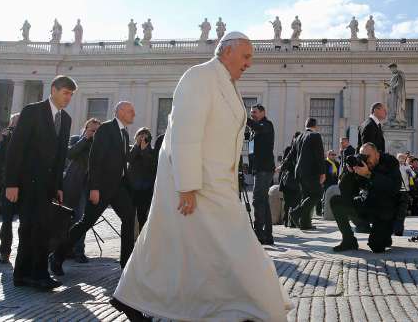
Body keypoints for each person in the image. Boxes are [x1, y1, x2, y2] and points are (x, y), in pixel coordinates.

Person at [110, 31, 292, 322]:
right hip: (200, 183)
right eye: (246, 57)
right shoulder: (198, 77)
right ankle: (256, 308)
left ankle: (130, 296)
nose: (249, 64)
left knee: (168, 242)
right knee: (236, 245)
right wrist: (187, 185)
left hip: (217, 181)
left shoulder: (227, 84)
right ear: (227, 51)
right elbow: (185, 132)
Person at [51, 101, 137, 274]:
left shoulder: (125, 134)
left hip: (118, 187)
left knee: (129, 218)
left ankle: (126, 263)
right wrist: (94, 188)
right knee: (85, 222)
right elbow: (95, 159)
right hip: (102, 187)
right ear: (119, 112)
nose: (133, 114)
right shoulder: (105, 129)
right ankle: (57, 256)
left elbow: (122, 160)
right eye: (130, 111)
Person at [5, 75, 74, 290]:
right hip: (27, 182)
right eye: (65, 93)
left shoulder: (67, 119)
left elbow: (61, 155)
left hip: (49, 186)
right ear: (53, 90)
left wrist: (59, 186)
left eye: (71, 95)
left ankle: (26, 275)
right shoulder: (32, 111)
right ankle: (33, 274)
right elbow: (16, 148)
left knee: (41, 229)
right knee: (30, 228)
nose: (68, 98)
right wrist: (11, 183)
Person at [330, 143, 401, 253]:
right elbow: (345, 191)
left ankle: (385, 235)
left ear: (377, 155)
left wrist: (369, 174)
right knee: (336, 201)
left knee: (377, 247)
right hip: (365, 204)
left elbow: (393, 187)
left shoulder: (390, 162)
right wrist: (349, 173)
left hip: (384, 210)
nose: (366, 160)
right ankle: (349, 240)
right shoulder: (360, 164)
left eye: (368, 156)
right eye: (363, 156)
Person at [61, 118, 101, 263]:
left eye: (97, 131)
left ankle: (79, 251)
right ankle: (64, 249)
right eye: (92, 129)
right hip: (72, 184)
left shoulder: (100, 144)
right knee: (65, 219)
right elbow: (70, 154)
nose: (94, 133)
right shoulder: (76, 139)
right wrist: (85, 138)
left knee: (81, 218)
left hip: (88, 186)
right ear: (85, 128)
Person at [286, 118, 326, 230]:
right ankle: (296, 212)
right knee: (317, 194)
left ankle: (305, 223)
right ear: (315, 126)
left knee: (306, 196)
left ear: (305, 125)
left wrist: (282, 166)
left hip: (298, 172)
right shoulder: (315, 136)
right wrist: (322, 172)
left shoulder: (298, 137)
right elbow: (319, 155)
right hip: (310, 172)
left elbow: (291, 154)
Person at [247, 103, 276, 244]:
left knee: (257, 200)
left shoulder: (266, 125)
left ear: (263, 113)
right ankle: (267, 236)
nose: (252, 114)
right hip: (258, 169)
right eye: (251, 112)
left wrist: (244, 118)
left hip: (264, 169)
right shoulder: (254, 129)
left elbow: (257, 127)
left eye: (255, 112)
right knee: (263, 201)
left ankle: (259, 234)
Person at [0, 113, 20, 264]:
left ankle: (23, 252)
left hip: (26, 185)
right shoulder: (6, 139)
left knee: (25, 222)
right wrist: (5, 139)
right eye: (14, 122)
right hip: (8, 186)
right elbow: (0, 160)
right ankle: (5, 251)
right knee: (6, 221)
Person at [129, 127, 155, 230]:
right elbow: (129, 159)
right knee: (129, 216)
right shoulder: (133, 148)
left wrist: (144, 150)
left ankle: (141, 240)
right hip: (132, 187)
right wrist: (137, 146)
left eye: (145, 136)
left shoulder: (152, 151)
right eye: (140, 136)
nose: (143, 138)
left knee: (142, 216)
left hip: (145, 189)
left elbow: (150, 166)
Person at [278, 132, 301, 227]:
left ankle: (292, 222)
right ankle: (286, 221)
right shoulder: (289, 149)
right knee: (288, 202)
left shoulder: (300, 150)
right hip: (289, 179)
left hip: (295, 179)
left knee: (295, 201)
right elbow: (284, 164)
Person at [395, 153, 415, 235]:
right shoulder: (395, 166)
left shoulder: (407, 166)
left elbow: (414, 175)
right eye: (400, 158)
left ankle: (399, 230)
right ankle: (395, 228)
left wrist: (409, 170)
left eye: (403, 158)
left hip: (405, 191)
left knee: (402, 212)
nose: (402, 159)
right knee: (396, 211)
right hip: (396, 191)